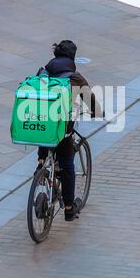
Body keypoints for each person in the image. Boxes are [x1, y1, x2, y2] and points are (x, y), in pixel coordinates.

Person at [36, 40, 103, 222]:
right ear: (72, 58)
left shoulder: (43, 72)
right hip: (62, 127)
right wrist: (98, 112)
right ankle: (68, 208)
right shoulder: (75, 78)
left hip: (40, 124)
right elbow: (91, 101)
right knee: (67, 164)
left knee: (45, 133)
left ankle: (41, 163)